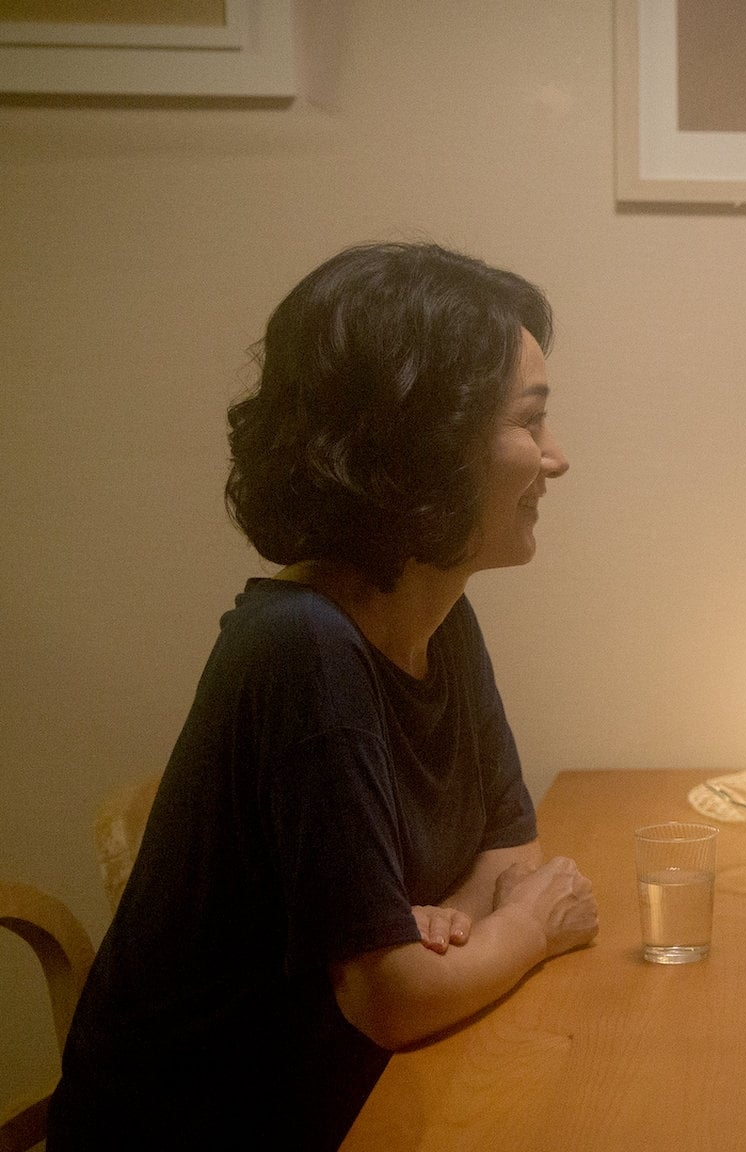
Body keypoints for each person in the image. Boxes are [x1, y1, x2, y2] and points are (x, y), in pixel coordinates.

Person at [50, 243, 600, 1149]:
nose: (557, 457)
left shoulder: (438, 613)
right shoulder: (302, 649)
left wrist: (440, 937)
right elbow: (393, 999)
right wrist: (526, 930)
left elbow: (511, 854)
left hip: (342, 1094)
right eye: (530, 421)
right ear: (424, 447)